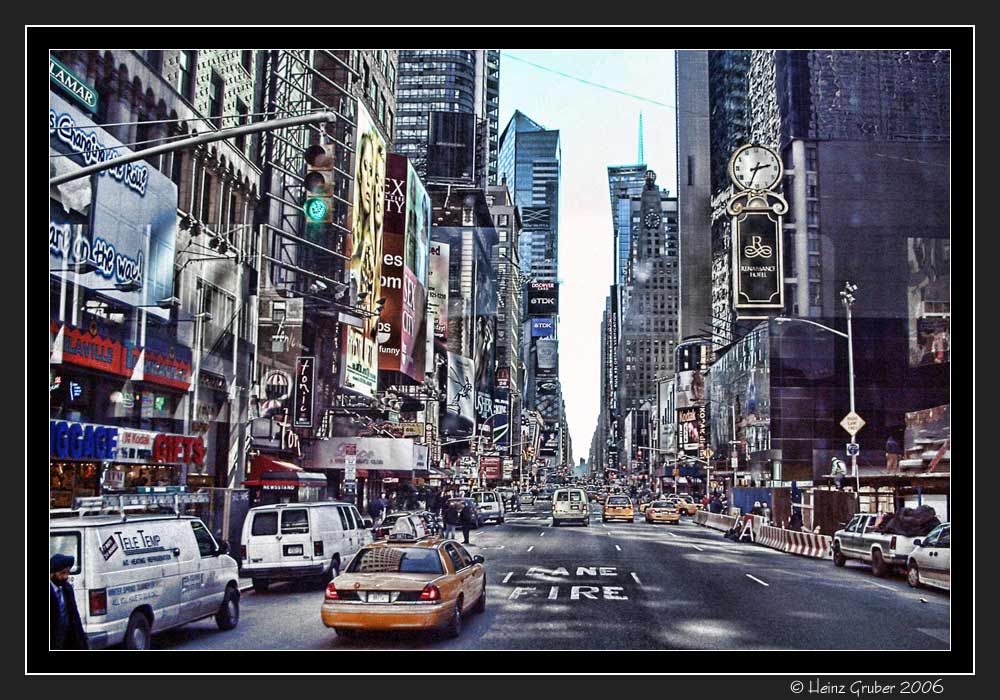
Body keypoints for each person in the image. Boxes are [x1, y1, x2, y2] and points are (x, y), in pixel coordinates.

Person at [50, 553, 88, 649]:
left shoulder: (67, 588)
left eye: (68, 572)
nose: (66, 576)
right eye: (62, 573)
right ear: (52, 573)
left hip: (67, 641)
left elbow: (74, 616)